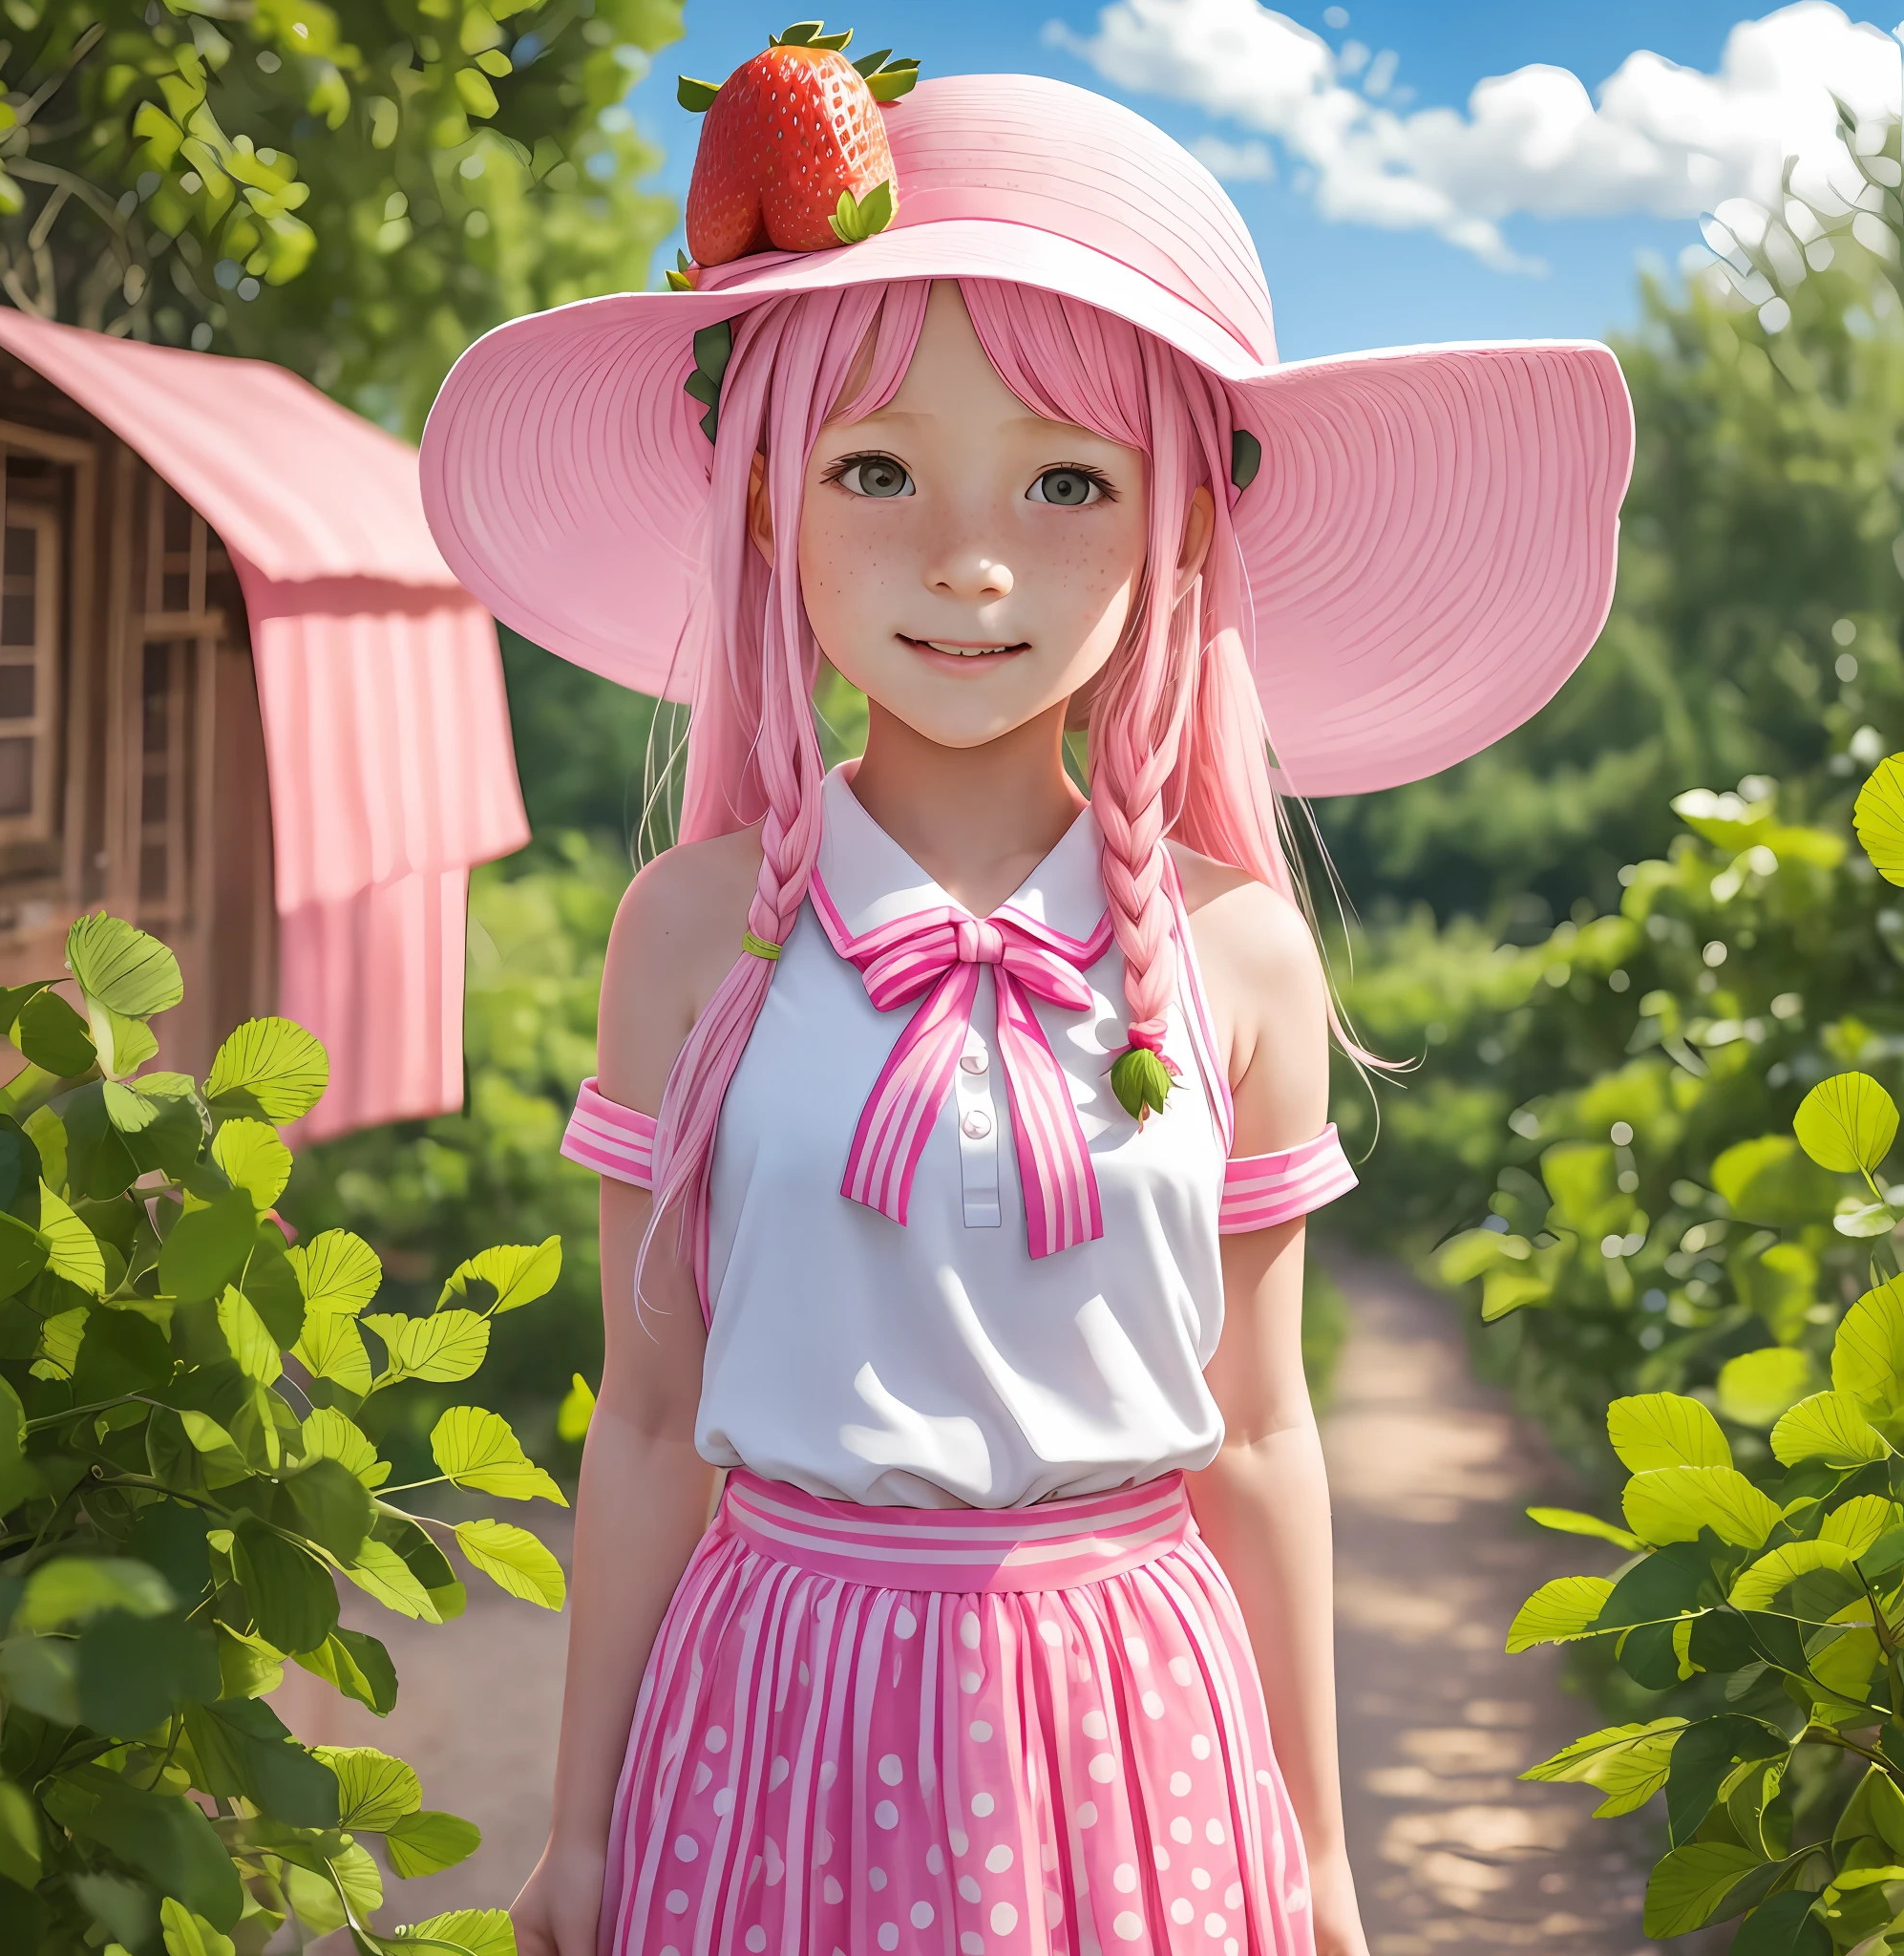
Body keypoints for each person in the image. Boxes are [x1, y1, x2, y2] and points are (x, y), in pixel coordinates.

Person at [421, 61, 1633, 1956]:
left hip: (1131, 1718)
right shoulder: (688, 933)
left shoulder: (1237, 954)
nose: (969, 557)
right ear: (763, 506)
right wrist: (575, 1828)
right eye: (874, 469)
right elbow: (649, 1417)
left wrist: (1318, 1853)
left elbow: (1258, 1433)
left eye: (1067, 480)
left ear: (1181, 530)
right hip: (773, 1710)